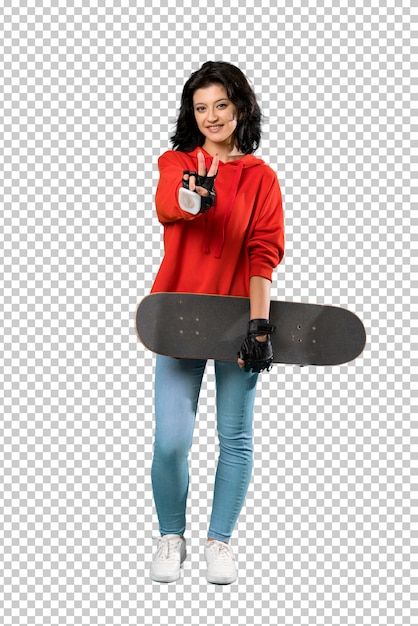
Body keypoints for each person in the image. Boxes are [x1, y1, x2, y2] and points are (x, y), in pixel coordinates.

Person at [148, 61, 284, 584]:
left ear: (240, 107)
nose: (211, 116)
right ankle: (170, 536)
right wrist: (192, 197)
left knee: (236, 436)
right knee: (172, 440)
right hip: (177, 313)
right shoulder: (177, 161)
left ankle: (219, 542)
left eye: (221, 105)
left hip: (236, 318)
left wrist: (260, 324)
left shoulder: (261, 177)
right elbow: (168, 206)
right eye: (201, 107)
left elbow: (262, 251)